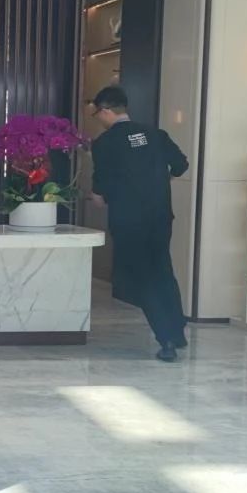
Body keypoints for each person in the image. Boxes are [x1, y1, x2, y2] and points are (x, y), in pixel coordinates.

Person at [88, 85, 190, 362]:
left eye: (98, 113)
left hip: (128, 221)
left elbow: (100, 190)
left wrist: (101, 195)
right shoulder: (156, 134)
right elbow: (181, 165)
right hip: (160, 216)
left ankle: (166, 339)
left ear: (105, 111)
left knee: (143, 277)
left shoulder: (104, 143)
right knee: (163, 269)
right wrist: (158, 181)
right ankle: (177, 331)